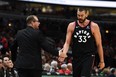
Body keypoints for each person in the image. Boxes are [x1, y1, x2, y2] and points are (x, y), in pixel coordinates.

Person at [60, 7, 105, 77]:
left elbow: (99, 44)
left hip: (88, 56)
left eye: (82, 15)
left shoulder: (93, 26)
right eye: (78, 15)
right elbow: (67, 42)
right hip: (76, 56)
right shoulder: (71, 25)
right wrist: (64, 53)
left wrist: (102, 61)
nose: (80, 17)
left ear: (86, 14)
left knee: (84, 75)